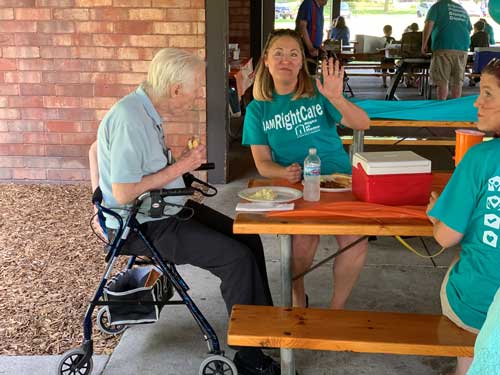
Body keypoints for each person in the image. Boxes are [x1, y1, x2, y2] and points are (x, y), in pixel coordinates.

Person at [91, 47, 280, 375]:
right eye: (196, 89)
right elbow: (122, 191)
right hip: (144, 224)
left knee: (247, 237)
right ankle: (249, 359)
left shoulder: (145, 111)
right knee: (236, 259)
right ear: (175, 89)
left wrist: (180, 178)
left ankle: (261, 324)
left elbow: (99, 151)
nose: (198, 96)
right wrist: (180, 166)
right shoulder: (131, 118)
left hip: (163, 208)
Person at [242, 29, 370, 309]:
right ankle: (299, 299)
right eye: (278, 53)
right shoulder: (257, 109)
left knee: (356, 241)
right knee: (299, 247)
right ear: (266, 60)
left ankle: (336, 311)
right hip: (297, 186)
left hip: (339, 180)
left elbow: (362, 123)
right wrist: (282, 172)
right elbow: (262, 163)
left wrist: (337, 98)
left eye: (293, 54)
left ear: (302, 62)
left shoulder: (319, 91)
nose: (285, 60)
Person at [426, 57, 500, 375]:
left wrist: (435, 215)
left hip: (476, 308)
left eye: (487, 93)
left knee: (461, 267)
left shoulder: (480, 158)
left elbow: (446, 237)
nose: (476, 103)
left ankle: (467, 366)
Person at [421, 0, 472, 100]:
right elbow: (469, 29)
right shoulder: (461, 9)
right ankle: (454, 109)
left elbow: (429, 24)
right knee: (457, 82)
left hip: (443, 46)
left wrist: (424, 44)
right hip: (462, 48)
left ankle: (441, 107)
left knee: (442, 81)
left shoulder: (437, 6)